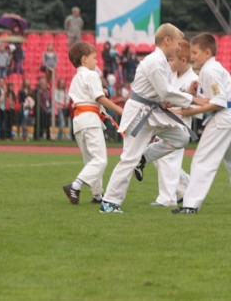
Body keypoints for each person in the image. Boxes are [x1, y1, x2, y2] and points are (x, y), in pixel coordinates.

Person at [99, 24, 197, 213]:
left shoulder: (163, 63)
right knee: (129, 158)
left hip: (153, 112)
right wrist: (193, 99)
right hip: (139, 113)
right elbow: (165, 91)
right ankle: (109, 202)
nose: (179, 47)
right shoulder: (154, 61)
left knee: (182, 137)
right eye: (177, 43)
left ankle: (144, 157)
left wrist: (179, 97)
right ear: (167, 40)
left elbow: (163, 95)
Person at [171, 33, 231, 215]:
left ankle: (190, 205)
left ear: (207, 52)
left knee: (202, 160)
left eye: (195, 52)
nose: (192, 56)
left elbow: (219, 101)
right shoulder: (214, 68)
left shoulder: (210, 70)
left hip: (224, 118)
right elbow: (214, 98)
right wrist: (195, 95)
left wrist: (192, 111)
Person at [62, 42, 124, 205]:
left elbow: (88, 96)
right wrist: (120, 110)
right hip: (90, 120)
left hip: (79, 122)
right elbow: (99, 98)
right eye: (94, 58)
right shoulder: (91, 74)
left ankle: (97, 195)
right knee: (100, 160)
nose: (96, 61)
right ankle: (75, 186)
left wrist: (101, 91)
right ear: (84, 59)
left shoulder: (76, 78)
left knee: (91, 161)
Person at [149, 40, 199, 207]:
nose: (169, 63)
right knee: (158, 158)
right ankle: (186, 188)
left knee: (167, 159)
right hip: (164, 122)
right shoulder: (170, 76)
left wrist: (175, 105)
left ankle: (167, 199)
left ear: (183, 60)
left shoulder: (194, 79)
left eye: (172, 60)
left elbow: (193, 106)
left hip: (180, 125)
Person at [33, 76, 52, 140]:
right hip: (39, 110)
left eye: (44, 83)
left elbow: (50, 100)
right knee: (39, 123)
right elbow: (39, 102)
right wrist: (45, 109)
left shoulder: (48, 91)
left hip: (47, 109)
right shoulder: (37, 91)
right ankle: (38, 136)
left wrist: (49, 110)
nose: (43, 85)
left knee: (47, 123)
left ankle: (48, 136)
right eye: (42, 83)